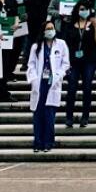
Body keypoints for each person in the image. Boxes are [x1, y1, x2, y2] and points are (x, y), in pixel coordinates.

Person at [26, 20, 69, 153]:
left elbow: (65, 64)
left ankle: (48, 142)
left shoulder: (61, 44)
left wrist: (59, 75)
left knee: (49, 115)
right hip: (39, 83)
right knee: (38, 114)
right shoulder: (36, 46)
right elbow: (31, 64)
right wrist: (33, 79)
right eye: (48, 28)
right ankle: (37, 142)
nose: (50, 31)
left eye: (52, 28)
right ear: (43, 31)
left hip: (53, 82)